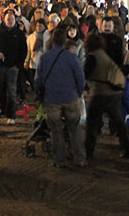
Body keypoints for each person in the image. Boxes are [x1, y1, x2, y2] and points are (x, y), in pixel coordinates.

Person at [34, 28, 86, 168]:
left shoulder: (45, 58)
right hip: (70, 97)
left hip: (52, 98)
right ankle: (79, 158)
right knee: (74, 129)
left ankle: (59, 159)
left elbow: (38, 80)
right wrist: (79, 92)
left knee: (56, 131)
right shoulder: (71, 57)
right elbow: (80, 78)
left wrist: (39, 96)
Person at [83, 34, 129, 160]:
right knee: (119, 123)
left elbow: (86, 74)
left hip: (100, 93)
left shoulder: (93, 57)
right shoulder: (104, 55)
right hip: (114, 93)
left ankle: (88, 151)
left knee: (92, 124)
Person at [0, 10, 27, 126]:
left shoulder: (19, 33)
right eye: (8, 19)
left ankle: (11, 116)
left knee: (12, 93)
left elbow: (23, 51)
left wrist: (18, 65)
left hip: (12, 67)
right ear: (4, 19)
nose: (10, 21)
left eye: (12, 19)